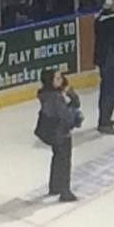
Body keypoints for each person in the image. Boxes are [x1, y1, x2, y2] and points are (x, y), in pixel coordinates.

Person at [34, 68, 78, 203]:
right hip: (61, 133)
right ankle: (65, 191)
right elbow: (66, 116)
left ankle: (55, 187)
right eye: (57, 78)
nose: (62, 80)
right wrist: (72, 98)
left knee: (57, 158)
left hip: (54, 132)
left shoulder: (47, 94)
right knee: (64, 162)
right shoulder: (55, 97)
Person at [93, 0, 114, 134]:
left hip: (104, 59)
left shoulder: (100, 18)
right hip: (110, 59)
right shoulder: (111, 22)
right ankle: (104, 122)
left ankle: (105, 118)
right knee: (112, 91)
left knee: (107, 90)